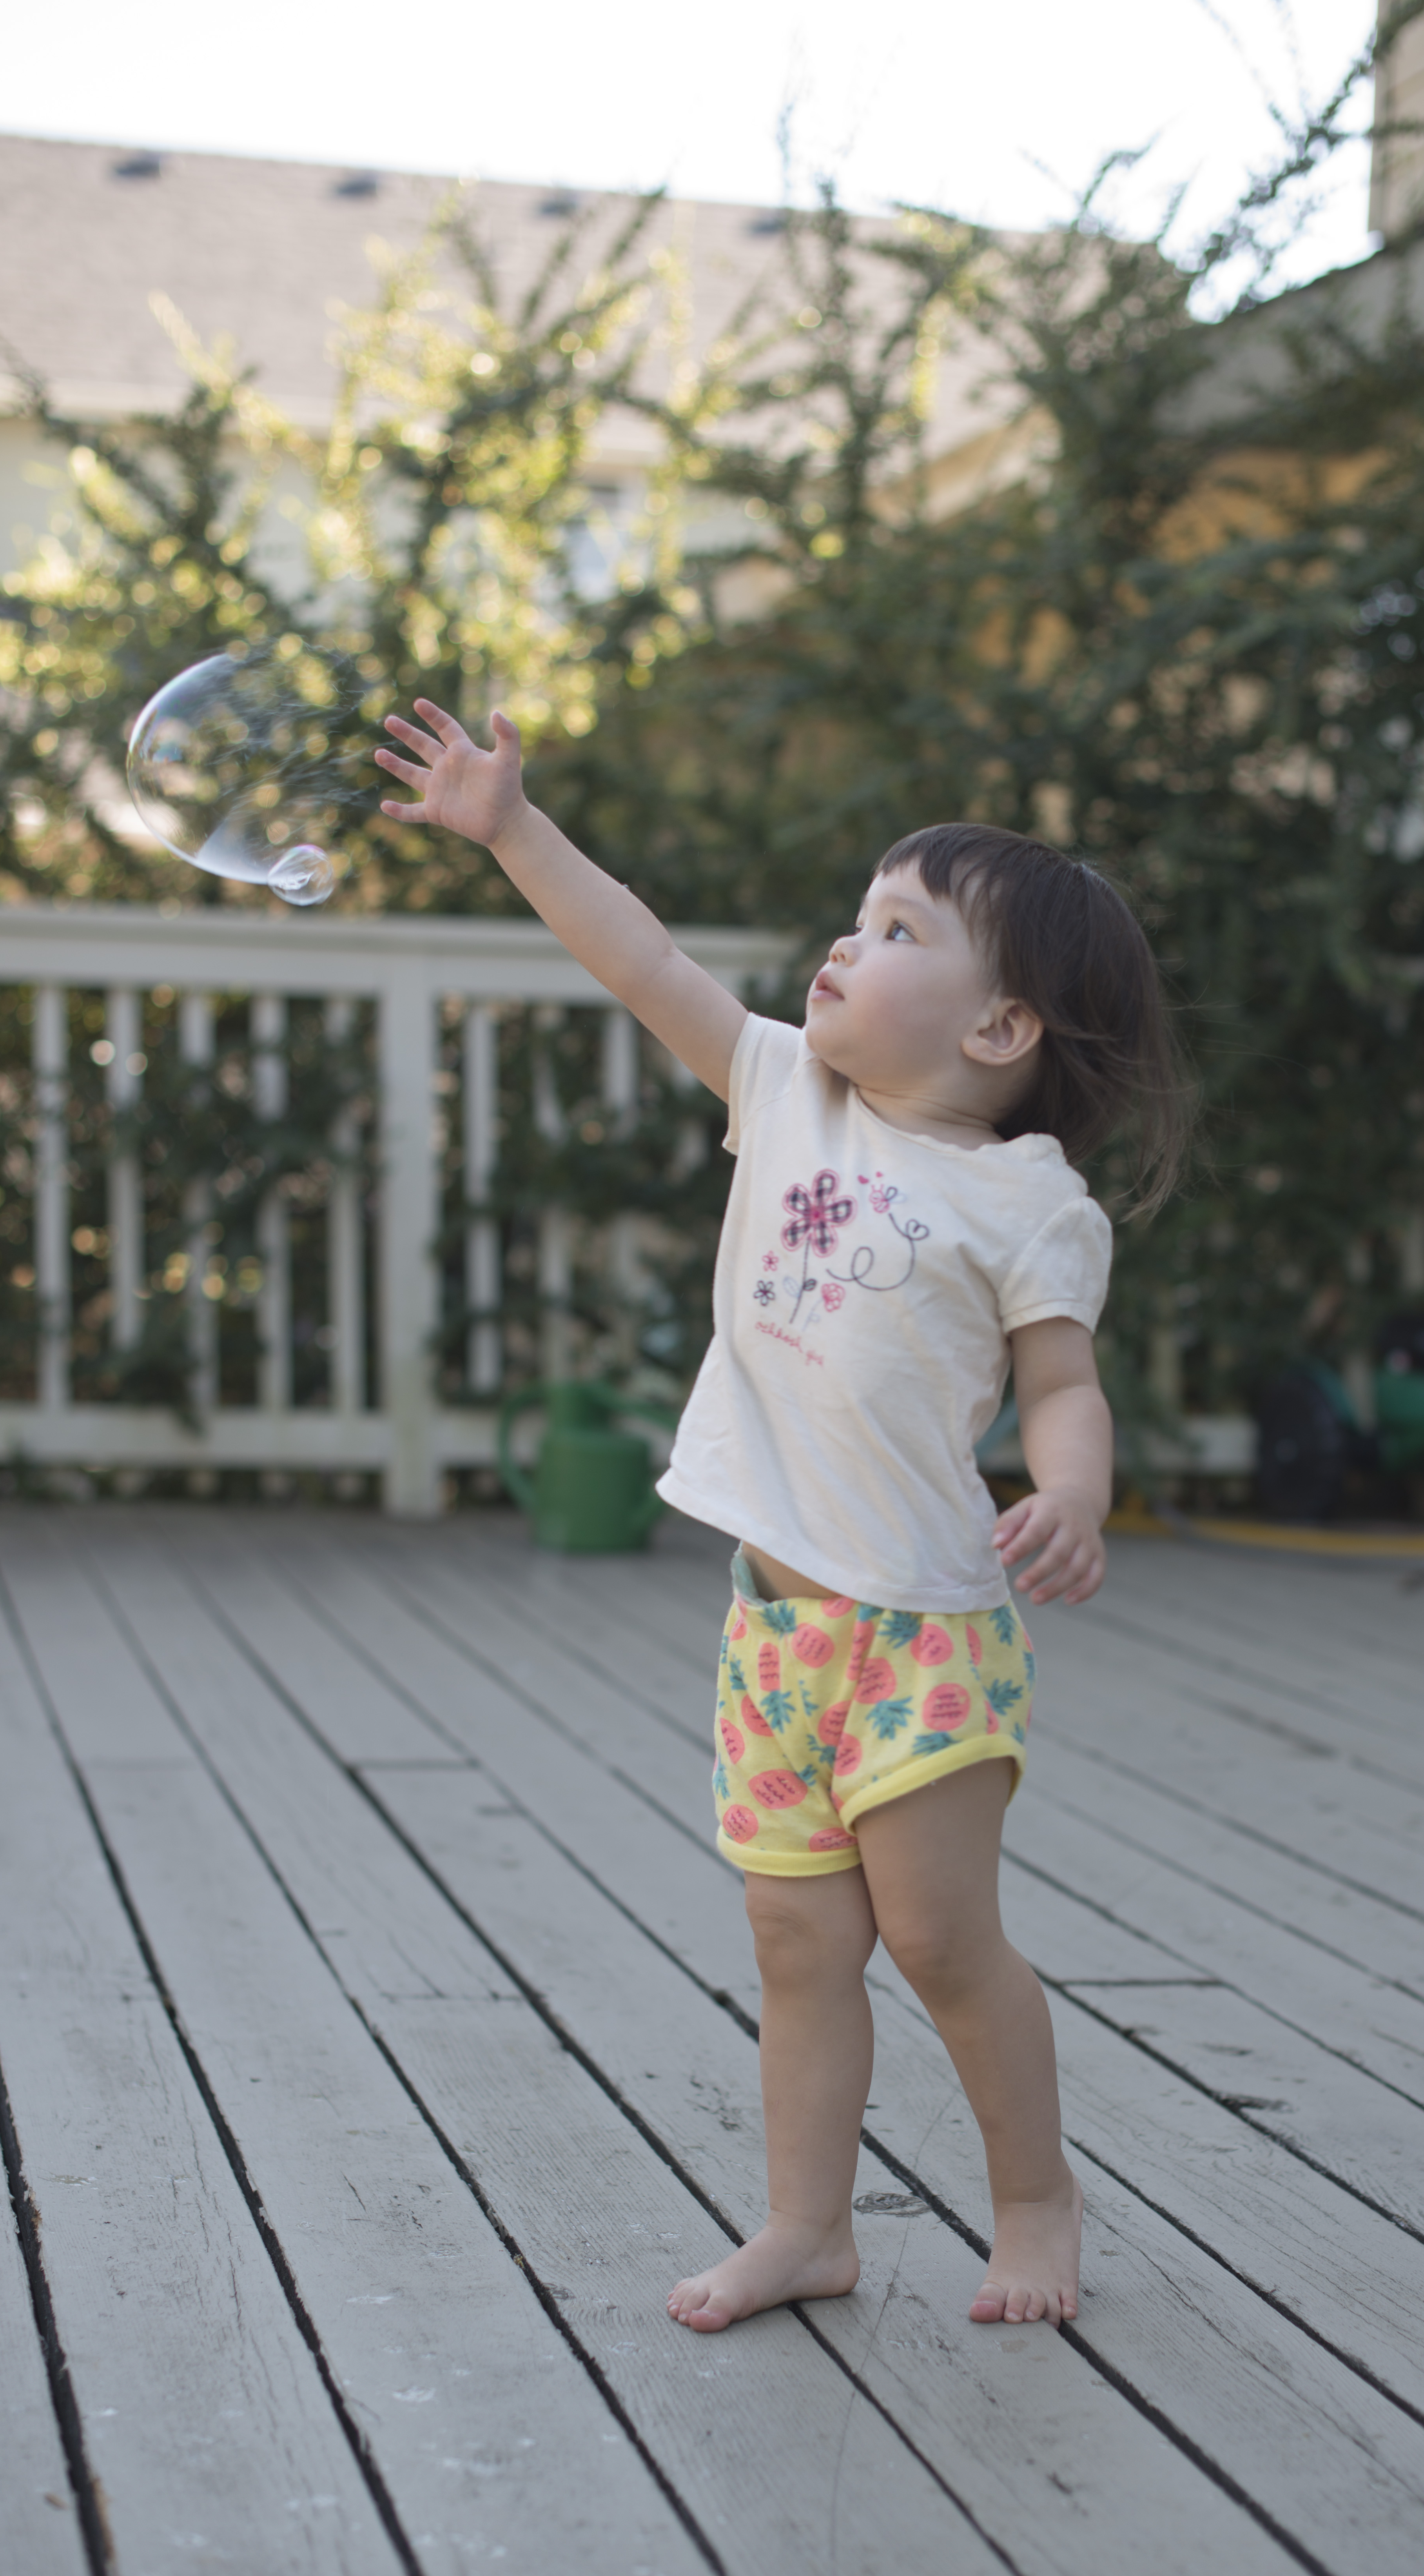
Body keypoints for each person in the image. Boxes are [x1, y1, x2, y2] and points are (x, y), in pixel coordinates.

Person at [377, 700, 1185, 2333]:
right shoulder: (783, 1089)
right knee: (799, 1944)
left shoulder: (1027, 1201)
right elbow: (642, 959)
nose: (846, 942)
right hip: (775, 1632)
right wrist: (511, 828)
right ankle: (809, 2228)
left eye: (898, 931)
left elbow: (1061, 1385)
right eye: (858, 912)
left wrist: (1073, 1488)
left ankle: (1035, 2199)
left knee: (941, 1941)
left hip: (924, 1631)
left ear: (999, 1027)